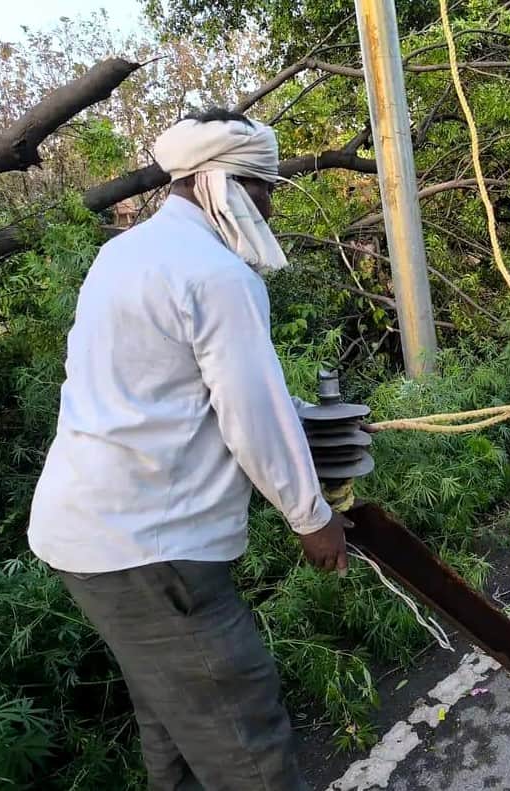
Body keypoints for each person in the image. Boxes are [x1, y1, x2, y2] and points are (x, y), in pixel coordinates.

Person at [27, 108, 350, 790]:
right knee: (242, 734)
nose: (268, 203)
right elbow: (250, 413)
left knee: (172, 716)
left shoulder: (125, 253)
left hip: (86, 534)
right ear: (221, 184)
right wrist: (311, 515)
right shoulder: (217, 274)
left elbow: (171, 385)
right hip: (151, 547)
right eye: (261, 187)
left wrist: (306, 420)